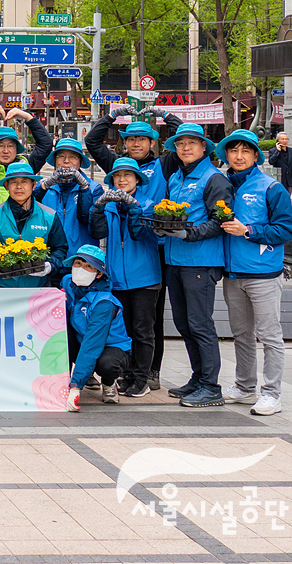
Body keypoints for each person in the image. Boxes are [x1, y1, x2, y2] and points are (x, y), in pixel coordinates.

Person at [87, 103, 182, 392]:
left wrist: (163, 115)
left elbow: (183, 140)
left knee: (150, 319)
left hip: (155, 246)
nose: (136, 143)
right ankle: (130, 372)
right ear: (124, 143)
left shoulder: (164, 164)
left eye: (142, 139)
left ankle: (150, 371)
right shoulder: (118, 169)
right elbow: (92, 141)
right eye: (130, 139)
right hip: (121, 260)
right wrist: (113, 115)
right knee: (129, 320)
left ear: (153, 141)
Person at [217, 129, 292, 416]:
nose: (239, 156)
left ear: (255, 156)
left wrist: (249, 230)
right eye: (233, 151)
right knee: (241, 334)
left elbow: (286, 229)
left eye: (245, 151)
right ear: (225, 155)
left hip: (264, 274)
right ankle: (244, 386)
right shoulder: (223, 185)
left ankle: (272, 394)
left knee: (269, 335)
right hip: (232, 275)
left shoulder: (270, 187)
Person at [156, 122, 234, 408]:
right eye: (180, 144)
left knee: (200, 324)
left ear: (204, 147)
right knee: (183, 324)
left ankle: (211, 387)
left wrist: (189, 233)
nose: (185, 148)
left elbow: (220, 221)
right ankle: (198, 378)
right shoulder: (176, 177)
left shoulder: (214, 179)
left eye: (192, 143)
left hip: (200, 261)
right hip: (175, 260)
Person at [89, 158, 162, 397]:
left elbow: (139, 233)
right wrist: (98, 208)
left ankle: (142, 378)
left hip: (144, 278)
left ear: (137, 179)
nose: (122, 180)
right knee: (125, 331)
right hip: (117, 278)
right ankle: (127, 375)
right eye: (117, 176)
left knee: (143, 330)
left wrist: (134, 206)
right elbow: (97, 232)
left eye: (128, 176)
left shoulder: (150, 204)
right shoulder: (109, 206)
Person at [62, 245, 134, 410]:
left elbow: (92, 343)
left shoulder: (104, 303)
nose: (81, 269)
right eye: (78, 263)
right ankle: (64, 380)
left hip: (111, 345)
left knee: (107, 364)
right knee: (59, 339)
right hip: (82, 338)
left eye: (89, 266)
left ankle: (109, 382)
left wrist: (75, 387)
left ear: (99, 274)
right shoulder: (67, 282)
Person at [0, 161, 68, 288]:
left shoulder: (49, 215)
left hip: (37, 288)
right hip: (2, 286)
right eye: (13, 182)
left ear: (33, 185)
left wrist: (50, 265)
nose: (19, 187)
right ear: (6, 185)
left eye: (24, 182)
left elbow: (60, 248)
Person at [35, 137, 103, 260]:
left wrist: (84, 187)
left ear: (81, 162)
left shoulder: (94, 189)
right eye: (61, 156)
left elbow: (91, 223)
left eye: (73, 157)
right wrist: (44, 186)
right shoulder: (43, 187)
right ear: (55, 160)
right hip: (48, 259)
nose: (66, 161)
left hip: (82, 260)